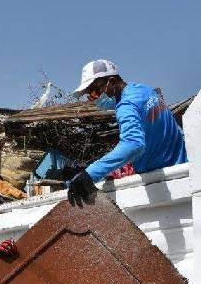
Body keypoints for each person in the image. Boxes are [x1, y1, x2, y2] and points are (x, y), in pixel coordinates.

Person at [66, 59, 188, 206]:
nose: (94, 99)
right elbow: (153, 135)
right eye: (90, 96)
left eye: (95, 92)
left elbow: (134, 144)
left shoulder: (126, 105)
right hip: (181, 166)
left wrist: (90, 173)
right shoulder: (144, 90)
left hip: (164, 182)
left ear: (111, 82)